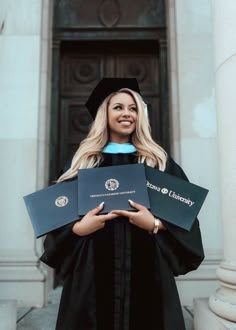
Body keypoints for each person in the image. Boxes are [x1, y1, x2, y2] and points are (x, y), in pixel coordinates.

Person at [40, 78, 204, 330]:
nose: (127, 113)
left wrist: (155, 224)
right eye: (118, 107)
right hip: (92, 279)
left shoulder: (158, 162)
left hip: (149, 278)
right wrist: (79, 229)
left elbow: (186, 216)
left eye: (133, 108)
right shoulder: (84, 162)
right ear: (103, 113)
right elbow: (55, 219)